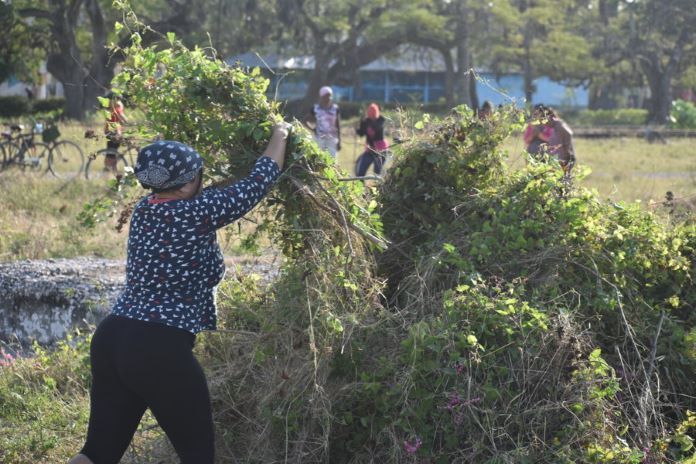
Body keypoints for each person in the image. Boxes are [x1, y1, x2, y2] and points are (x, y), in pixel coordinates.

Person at [68, 122, 290, 464]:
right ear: (188, 184)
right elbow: (258, 182)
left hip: (112, 336)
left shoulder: (144, 210)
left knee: (97, 453)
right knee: (197, 455)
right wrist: (280, 134)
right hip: (158, 347)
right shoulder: (198, 210)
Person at [304, 86, 341, 160]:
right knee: (319, 160)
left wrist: (339, 140)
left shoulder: (335, 108)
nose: (329, 98)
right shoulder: (316, 108)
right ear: (322, 97)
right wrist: (313, 129)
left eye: (330, 95)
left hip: (332, 139)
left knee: (332, 161)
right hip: (319, 139)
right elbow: (305, 120)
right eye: (327, 96)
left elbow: (338, 125)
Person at [355, 103, 389, 178]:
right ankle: (361, 187)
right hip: (370, 150)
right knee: (360, 172)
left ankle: (377, 188)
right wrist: (359, 126)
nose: (372, 116)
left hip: (381, 150)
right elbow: (361, 133)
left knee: (377, 173)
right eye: (370, 114)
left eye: (373, 113)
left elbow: (376, 128)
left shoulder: (381, 119)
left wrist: (365, 123)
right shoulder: (367, 121)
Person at [544, 107, 576, 176]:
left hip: (563, 159)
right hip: (556, 160)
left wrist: (566, 150)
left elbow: (569, 133)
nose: (543, 123)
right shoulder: (553, 127)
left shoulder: (558, 124)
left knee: (563, 181)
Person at [104, 95, 129, 174]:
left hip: (115, 133)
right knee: (111, 152)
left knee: (111, 152)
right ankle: (110, 169)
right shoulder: (115, 108)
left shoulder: (116, 107)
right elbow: (123, 119)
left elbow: (122, 119)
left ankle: (110, 169)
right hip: (114, 133)